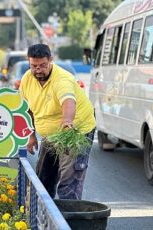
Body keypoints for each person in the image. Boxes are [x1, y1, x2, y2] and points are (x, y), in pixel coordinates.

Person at [19, 44, 96, 200]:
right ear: (29, 62)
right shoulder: (27, 79)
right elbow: (26, 109)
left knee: (69, 181)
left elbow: (68, 101)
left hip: (74, 131)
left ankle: (67, 220)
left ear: (51, 61)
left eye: (43, 65)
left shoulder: (62, 79)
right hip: (51, 134)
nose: (38, 70)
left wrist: (67, 122)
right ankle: (44, 219)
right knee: (44, 177)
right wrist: (31, 135)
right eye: (34, 66)